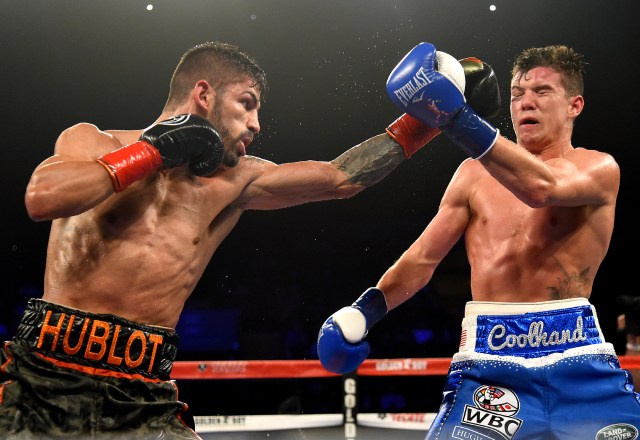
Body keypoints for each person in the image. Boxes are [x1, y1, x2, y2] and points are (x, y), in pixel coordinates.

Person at [0, 41, 497, 439]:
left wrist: (432, 117)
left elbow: (341, 178)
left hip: (143, 392)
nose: (256, 125)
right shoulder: (95, 141)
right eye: (247, 105)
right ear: (204, 94)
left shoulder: (237, 182)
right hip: (45, 376)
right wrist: (153, 153)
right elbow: (42, 198)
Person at [317, 42, 640, 439]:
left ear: (574, 105)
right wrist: (364, 311)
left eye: (542, 92)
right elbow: (422, 260)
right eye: (518, 94)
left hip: (579, 360)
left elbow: (541, 187)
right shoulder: (472, 175)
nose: (526, 103)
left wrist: (455, 117)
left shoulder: (598, 167)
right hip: (490, 366)